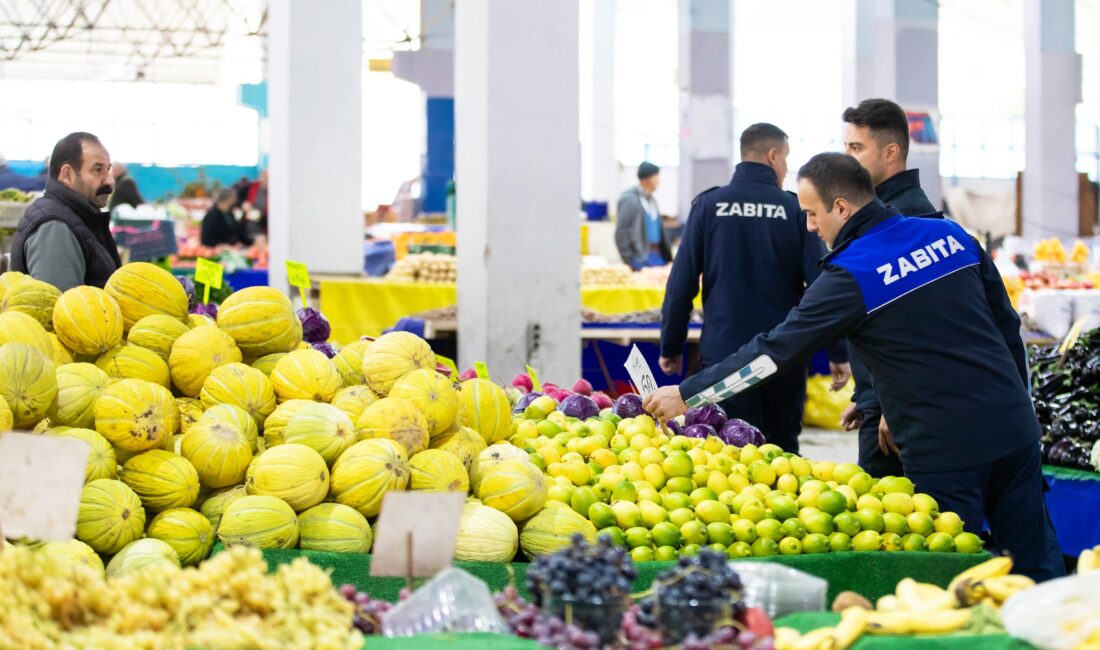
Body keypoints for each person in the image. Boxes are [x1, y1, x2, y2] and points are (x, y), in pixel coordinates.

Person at [645, 153, 1063, 582]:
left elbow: (772, 353)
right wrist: (1019, 403)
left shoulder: (852, 273)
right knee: (1036, 562)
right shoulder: (951, 235)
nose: (809, 226)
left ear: (841, 208)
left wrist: (689, 394)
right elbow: (1006, 325)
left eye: (811, 213)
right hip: (1012, 427)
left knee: (950, 575)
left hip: (944, 446)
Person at [660, 123, 849, 454]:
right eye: (786, 159)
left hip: (723, 359)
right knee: (781, 454)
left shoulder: (708, 206)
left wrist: (671, 346)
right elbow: (821, 284)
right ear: (773, 156)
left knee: (726, 455)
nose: (786, 168)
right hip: (782, 358)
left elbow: (681, 286)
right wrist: (838, 352)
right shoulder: (794, 209)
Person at [841, 98, 938, 478]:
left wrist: (890, 405)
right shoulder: (882, 210)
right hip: (882, 402)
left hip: (899, 411)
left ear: (891, 151)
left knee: (894, 522)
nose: (847, 158)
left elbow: (917, 325)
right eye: (846, 147)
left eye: (856, 148)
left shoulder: (908, 220)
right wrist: (865, 396)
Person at [10, 132, 121, 290]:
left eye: (108, 169)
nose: (109, 180)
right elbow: (59, 309)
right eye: (97, 170)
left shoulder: (79, 218)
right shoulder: (54, 228)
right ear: (67, 174)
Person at [615, 162, 671, 269]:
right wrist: (628, 259)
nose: (659, 181)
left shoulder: (652, 201)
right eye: (656, 177)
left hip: (657, 256)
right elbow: (622, 231)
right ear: (648, 178)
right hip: (640, 258)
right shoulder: (630, 199)